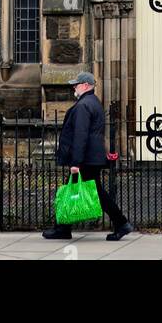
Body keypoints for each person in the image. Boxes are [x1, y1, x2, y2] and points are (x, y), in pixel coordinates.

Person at [42, 72, 134, 241]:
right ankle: (63, 227)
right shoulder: (93, 102)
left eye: (76, 84)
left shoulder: (84, 105)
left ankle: (121, 223)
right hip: (90, 157)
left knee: (94, 192)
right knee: (89, 190)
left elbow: (81, 134)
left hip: (85, 159)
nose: (73, 87)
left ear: (85, 85)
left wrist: (76, 162)